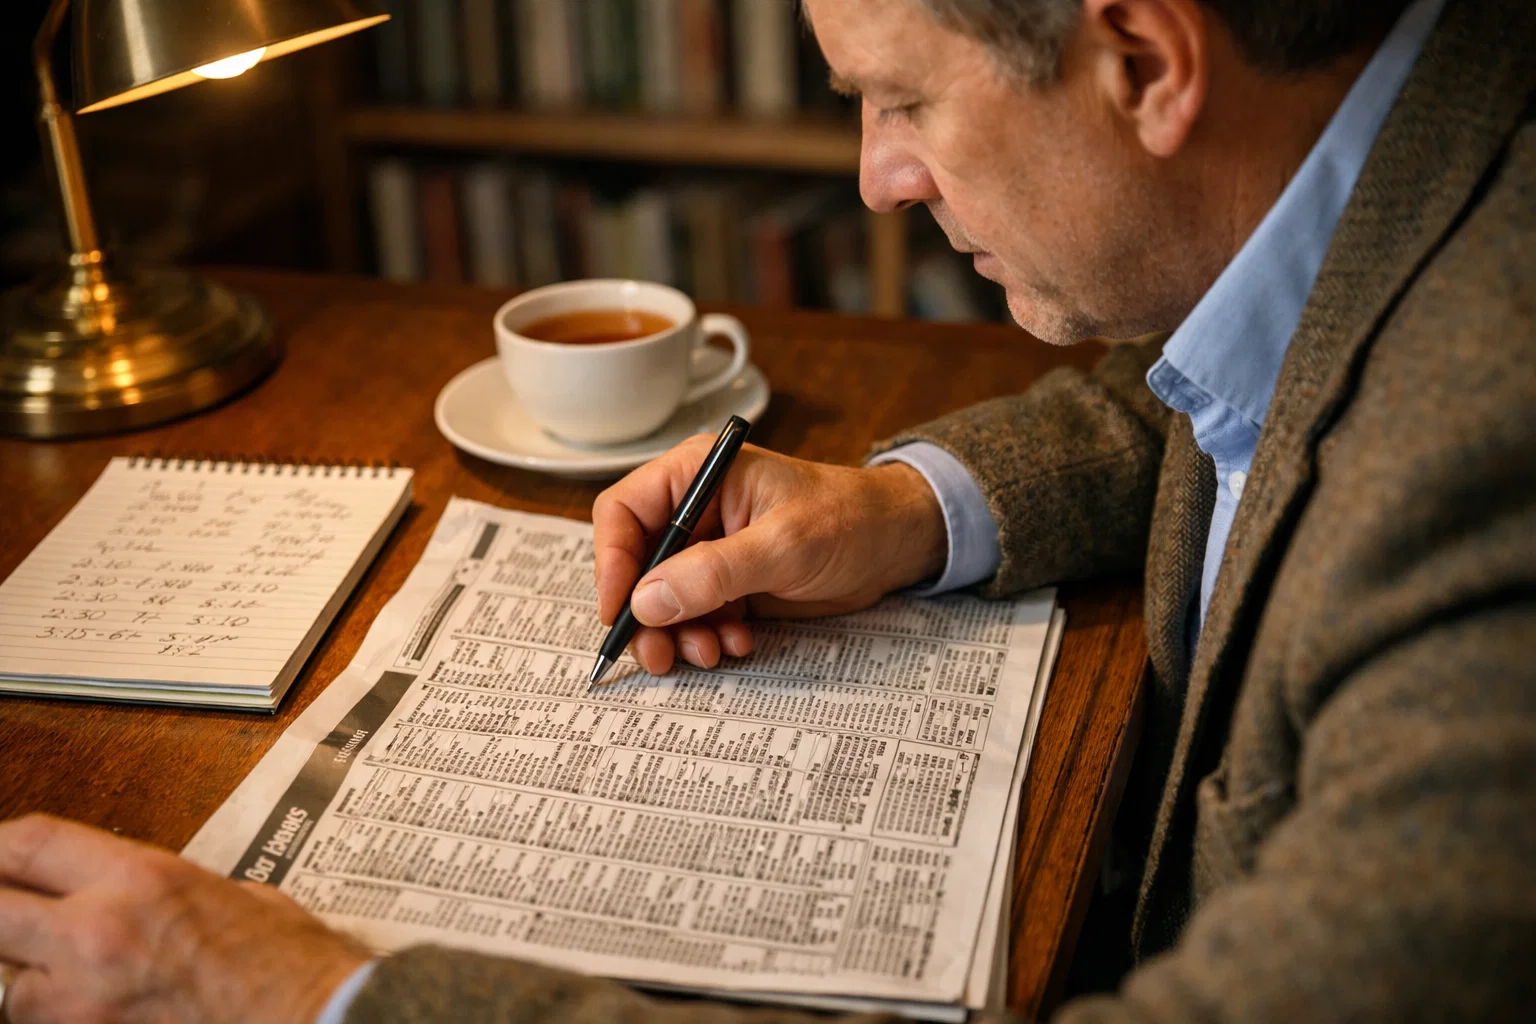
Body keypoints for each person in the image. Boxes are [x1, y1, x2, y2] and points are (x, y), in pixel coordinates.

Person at [1, 0, 1532, 1019]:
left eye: (899, 98)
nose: (877, 177)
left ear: (1143, 59)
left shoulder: (1491, 445)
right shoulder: (1394, 162)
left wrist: (317, 998)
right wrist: (897, 505)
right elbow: (1226, 379)